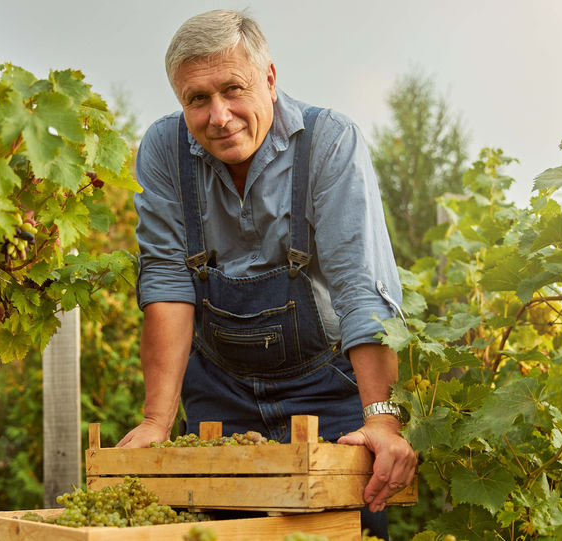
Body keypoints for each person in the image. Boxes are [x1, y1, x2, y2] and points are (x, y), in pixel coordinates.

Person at [118, 9, 415, 538]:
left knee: (346, 530)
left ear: (270, 80)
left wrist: (383, 421)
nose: (220, 116)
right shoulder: (164, 151)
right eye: (197, 99)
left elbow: (360, 287)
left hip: (329, 392)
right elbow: (166, 285)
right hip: (220, 393)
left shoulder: (329, 143)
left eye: (234, 89)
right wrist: (156, 423)